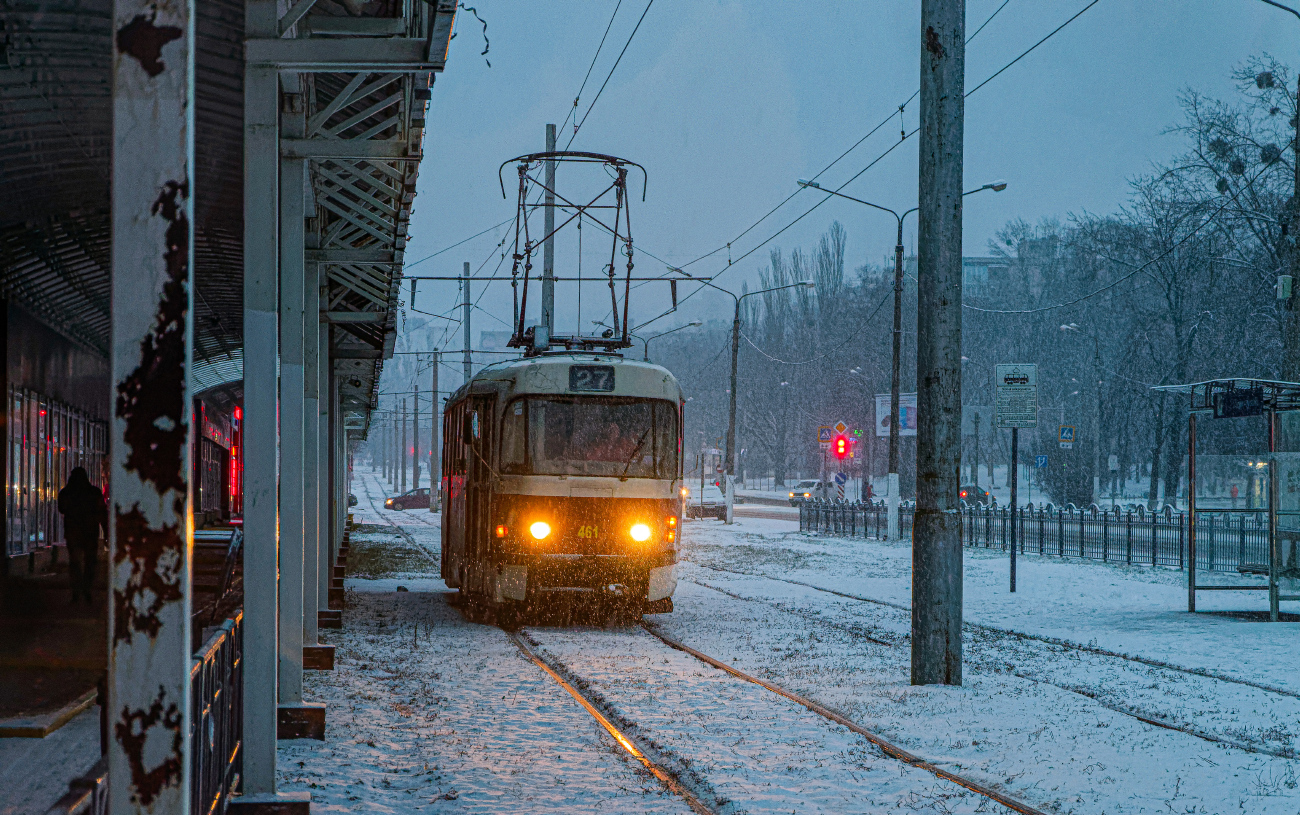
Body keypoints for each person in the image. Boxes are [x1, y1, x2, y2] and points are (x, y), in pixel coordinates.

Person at [58, 467, 107, 604]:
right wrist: (106, 531)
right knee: (90, 562)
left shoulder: (67, 493)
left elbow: (61, 508)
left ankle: (76, 591)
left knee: (75, 562)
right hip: (90, 532)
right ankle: (87, 589)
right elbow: (102, 512)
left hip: (73, 532)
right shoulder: (94, 492)